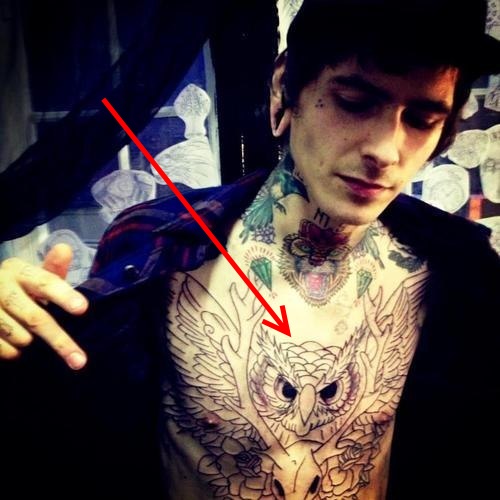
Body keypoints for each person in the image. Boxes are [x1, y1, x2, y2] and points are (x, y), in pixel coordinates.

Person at [2, 0, 500, 499]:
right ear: (284, 89)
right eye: (354, 102)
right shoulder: (157, 247)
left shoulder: (458, 271)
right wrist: (13, 341)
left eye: (422, 119)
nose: (386, 151)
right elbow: (66, 434)